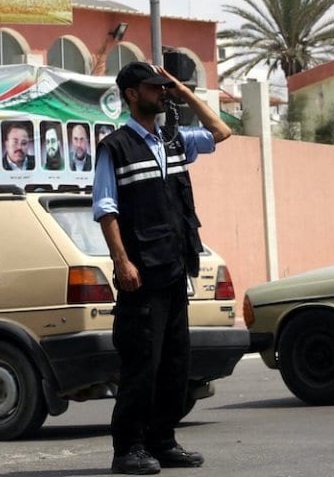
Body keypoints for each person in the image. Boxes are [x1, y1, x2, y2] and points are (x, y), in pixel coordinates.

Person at [92, 62, 231, 474]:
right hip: (141, 273)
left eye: (164, 87)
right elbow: (106, 208)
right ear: (132, 94)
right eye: (155, 88)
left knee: (175, 364)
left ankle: (163, 441)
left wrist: (185, 93)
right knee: (142, 365)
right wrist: (122, 261)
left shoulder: (173, 140)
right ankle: (128, 449)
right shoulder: (115, 147)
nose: (162, 93)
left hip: (174, 268)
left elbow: (222, 133)